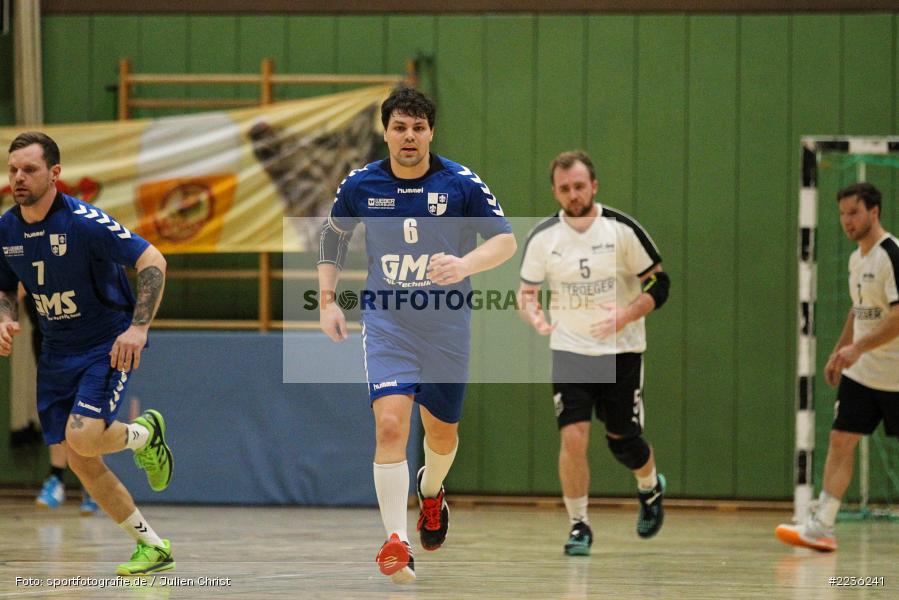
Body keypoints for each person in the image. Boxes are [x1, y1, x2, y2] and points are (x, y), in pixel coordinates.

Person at [317, 87, 516, 583]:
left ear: (431, 133)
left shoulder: (460, 183)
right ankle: (396, 542)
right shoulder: (362, 184)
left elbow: (505, 241)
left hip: (446, 325)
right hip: (388, 323)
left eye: (419, 128)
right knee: (390, 426)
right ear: (386, 132)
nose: (409, 136)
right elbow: (333, 235)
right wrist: (327, 299)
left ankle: (431, 491)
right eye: (400, 127)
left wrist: (464, 265)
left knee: (441, 433)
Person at [1, 132, 174, 575]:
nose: (18, 177)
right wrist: (5, 318)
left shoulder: (84, 222)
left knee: (82, 438)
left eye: (29, 169)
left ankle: (144, 434)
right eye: (13, 169)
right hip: (55, 351)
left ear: (54, 173)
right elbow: (5, 285)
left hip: (105, 344)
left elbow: (153, 260)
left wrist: (138, 328)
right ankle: (152, 546)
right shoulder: (6, 229)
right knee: (81, 459)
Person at [517, 150, 669, 556]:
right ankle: (579, 525)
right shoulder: (544, 238)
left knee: (623, 440)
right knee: (573, 437)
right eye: (565, 188)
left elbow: (660, 283)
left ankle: (650, 487)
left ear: (594, 186)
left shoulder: (621, 230)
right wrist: (533, 314)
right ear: (555, 192)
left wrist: (626, 314)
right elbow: (526, 293)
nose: (573, 195)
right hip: (571, 350)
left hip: (621, 350)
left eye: (580, 186)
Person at [776, 182, 899, 552]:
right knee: (841, 439)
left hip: (895, 375)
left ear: (874, 212)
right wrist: (839, 352)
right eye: (842, 214)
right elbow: (858, 310)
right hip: (863, 375)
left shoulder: (891, 255)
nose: (847, 221)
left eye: (854, 213)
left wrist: (857, 348)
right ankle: (823, 526)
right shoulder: (856, 259)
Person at [20, 291, 98, 515]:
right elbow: (12, 292)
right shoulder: (23, 268)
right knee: (56, 409)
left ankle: (92, 483)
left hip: (86, 340)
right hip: (47, 340)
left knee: (86, 412)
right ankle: (56, 478)